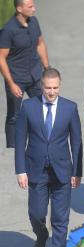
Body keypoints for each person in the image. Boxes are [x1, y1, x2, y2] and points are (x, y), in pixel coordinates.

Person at [15, 67, 83, 247]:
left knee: (60, 218)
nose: (51, 92)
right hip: (36, 170)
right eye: (47, 88)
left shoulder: (70, 108)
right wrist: (20, 170)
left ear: (59, 86)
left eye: (55, 88)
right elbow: (19, 141)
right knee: (36, 213)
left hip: (62, 172)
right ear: (41, 86)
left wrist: (77, 171)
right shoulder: (28, 107)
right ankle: (41, 236)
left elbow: (77, 142)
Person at [0, 0, 49, 148]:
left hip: (35, 74)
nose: (34, 9)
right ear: (19, 8)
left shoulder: (33, 22)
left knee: (43, 107)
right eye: (30, 7)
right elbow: (1, 58)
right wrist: (11, 84)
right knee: (14, 114)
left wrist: (47, 67)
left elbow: (40, 43)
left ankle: (42, 139)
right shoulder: (8, 30)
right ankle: (13, 146)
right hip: (16, 78)